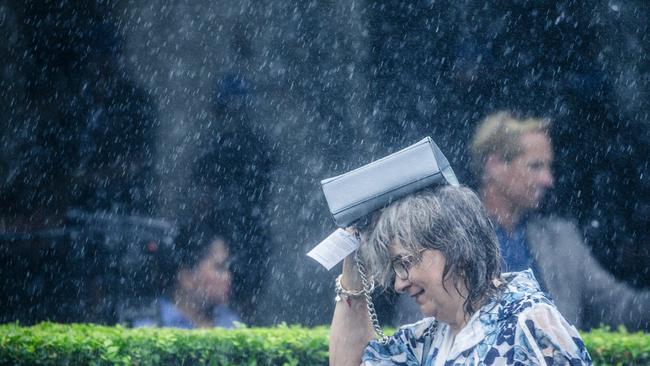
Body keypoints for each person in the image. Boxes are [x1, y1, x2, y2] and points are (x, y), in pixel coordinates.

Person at [330, 185, 591, 365]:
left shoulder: (531, 324)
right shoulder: (428, 339)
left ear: (455, 247)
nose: (399, 283)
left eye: (405, 263)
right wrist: (354, 263)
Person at [468, 110, 650, 330]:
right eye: (535, 166)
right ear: (494, 165)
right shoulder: (451, 239)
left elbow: (621, 307)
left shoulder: (561, 239)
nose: (548, 180)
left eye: (548, 167)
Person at [126, 227, 242, 329]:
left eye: (227, 268)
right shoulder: (149, 325)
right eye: (219, 268)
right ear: (186, 277)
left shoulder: (230, 321)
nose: (228, 276)